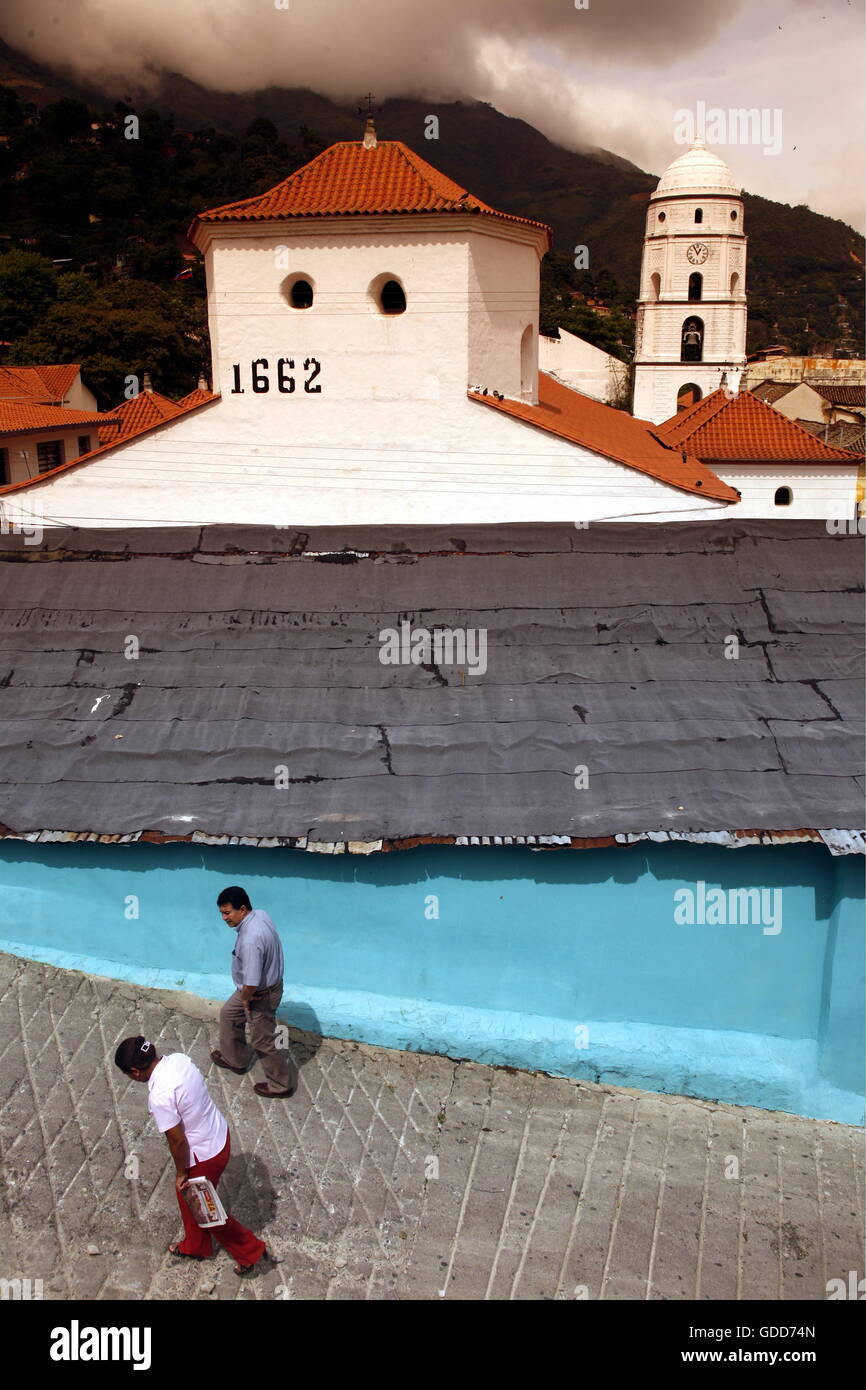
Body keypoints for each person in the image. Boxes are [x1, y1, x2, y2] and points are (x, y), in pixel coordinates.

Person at [114, 1036, 270, 1274]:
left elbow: (177, 1140)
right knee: (188, 1203)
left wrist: (181, 1172)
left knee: (204, 1210)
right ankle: (197, 1245)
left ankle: (251, 1251)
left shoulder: (160, 1096)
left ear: (135, 1072)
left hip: (204, 1156)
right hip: (219, 1134)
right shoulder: (179, 1059)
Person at [211, 885, 297, 1099]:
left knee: (263, 1040)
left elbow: (251, 981)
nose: (223, 918)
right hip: (259, 988)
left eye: (227, 912)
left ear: (242, 909)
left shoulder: (250, 939)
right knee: (229, 1015)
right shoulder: (261, 915)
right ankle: (236, 1059)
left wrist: (247, 999)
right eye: (221, 912)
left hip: (258, 994)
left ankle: (280, 1085)